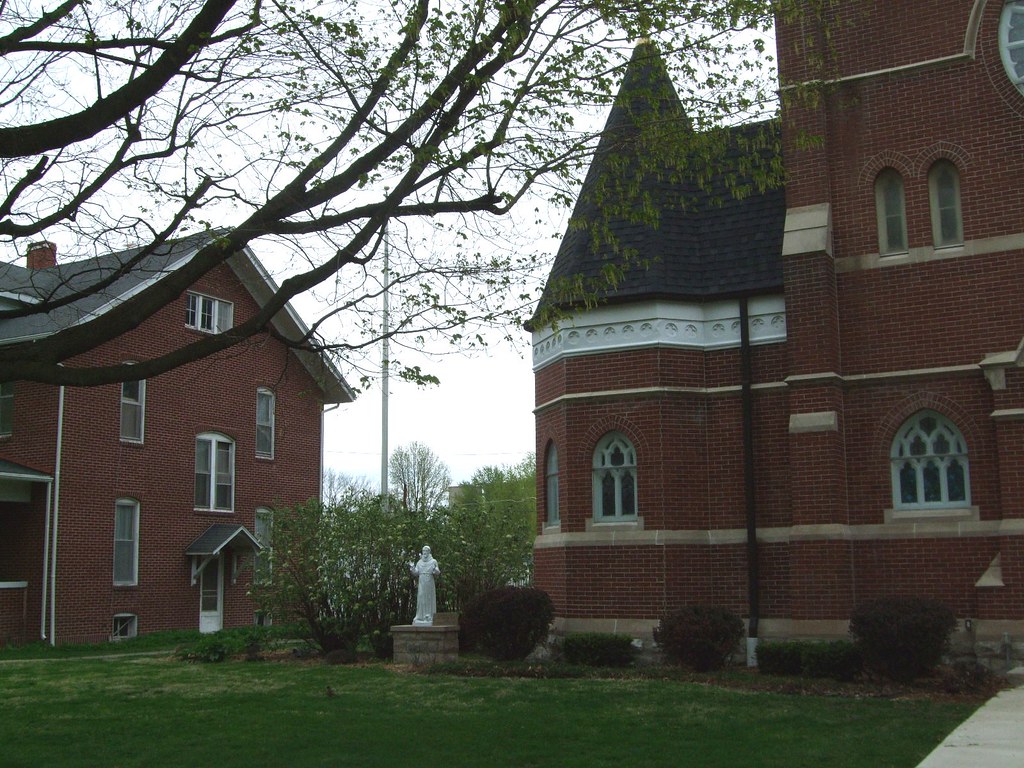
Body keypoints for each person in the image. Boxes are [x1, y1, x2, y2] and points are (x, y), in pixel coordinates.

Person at [409, 546, 440, 626]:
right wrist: (412, 567)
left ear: (429, 551)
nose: (424, 552)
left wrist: (435, 570)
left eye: (426, 551)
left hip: (429, 581)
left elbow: (437, 572)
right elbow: (416, 573)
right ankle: (419, 616)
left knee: (429, 598)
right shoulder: (419, 562)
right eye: (423, 551)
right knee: (421, 597)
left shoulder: (433, 561)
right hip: (422, 581)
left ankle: (429, 616)